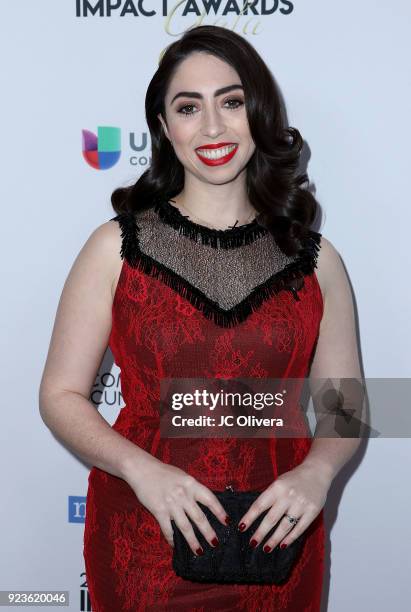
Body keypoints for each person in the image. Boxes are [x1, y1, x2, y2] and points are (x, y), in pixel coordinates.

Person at [39, 25, 363, 611]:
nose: (212, 127)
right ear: (164, 128)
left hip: (281, 541)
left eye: (231, 102)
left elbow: (348, 402)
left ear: (258, 113)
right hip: (144, 539)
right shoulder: (114, 248)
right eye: (189, 107)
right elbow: (60, 393)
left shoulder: (317, 259)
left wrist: (317, 474)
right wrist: (143, 472)